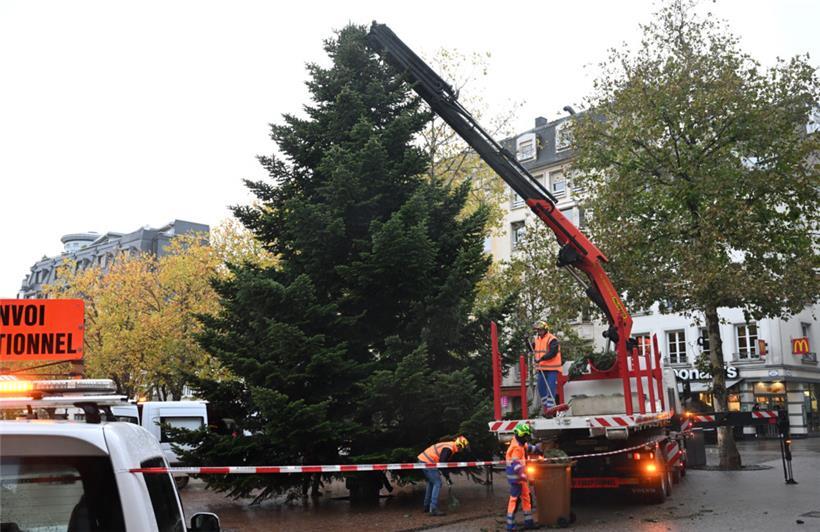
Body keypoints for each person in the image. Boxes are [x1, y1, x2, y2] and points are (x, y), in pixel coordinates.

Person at [417, 435, 469, 516]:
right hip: (428, 461)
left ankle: (426, 506)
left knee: (431, 483)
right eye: (463, 448)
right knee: (438, 483)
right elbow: (442, 463)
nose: (462, 450)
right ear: (460, 445)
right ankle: (433, 509)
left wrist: (447, 476)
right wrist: (447, 477)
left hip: (424, 460)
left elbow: (442, 463)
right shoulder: (449, 448)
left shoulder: (451, 446)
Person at [505, 422, 542, 530]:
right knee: (514, 499)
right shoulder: (516, 447)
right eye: (526, 436)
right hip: (516, 478)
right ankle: (510, 525)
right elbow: (515, 464)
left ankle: (528, 522)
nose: (527, 438)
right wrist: (522, 474)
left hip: (521, 478)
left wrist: (538, 449)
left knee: (526, 497)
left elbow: (528, 447)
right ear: (521, 435)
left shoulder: (519, 442)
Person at [533, 321, 562, 416]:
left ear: (545, 329)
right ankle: (547, 406)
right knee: (541, 388)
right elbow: (532, 349)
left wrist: (542, 358)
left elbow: (553, 353)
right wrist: (526, 341)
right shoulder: (537, 339)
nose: (539, 332)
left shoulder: (552, 339)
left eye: (540, 330)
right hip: (541, 369)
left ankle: (551, 409)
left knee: (550, 388)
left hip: (552, 369)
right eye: (537, 330)